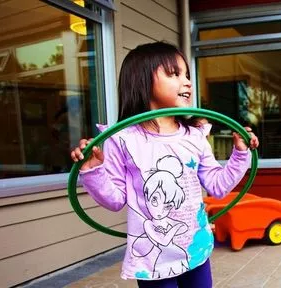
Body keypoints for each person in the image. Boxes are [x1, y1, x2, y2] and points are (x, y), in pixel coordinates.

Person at [70, 41, 259, 288]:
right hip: (153, 259)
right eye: (174, 74)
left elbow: (218, 186)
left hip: (195, 248)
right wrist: (92, 170)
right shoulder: (122, 139)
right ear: (142, 81)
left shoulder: (195, 135)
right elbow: (115, 200)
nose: (187, 82)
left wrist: (240, 154)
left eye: (187, 75)